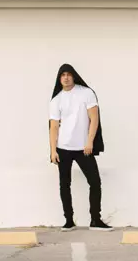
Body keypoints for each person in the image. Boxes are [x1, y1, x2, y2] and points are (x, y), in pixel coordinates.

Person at [49, 63, 113, 231]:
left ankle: (95, 220)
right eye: (62, 75)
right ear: (59, 78)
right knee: (64, 184)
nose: (66, 77)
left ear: (74, 76)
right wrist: (52, 150)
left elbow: (94, 118)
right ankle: (69, 220)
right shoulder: (56, 100)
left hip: (83, 147)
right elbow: (54, 127)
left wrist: (90, 141)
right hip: (63, 148)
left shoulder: (86, 93)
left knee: (94, 182)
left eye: (69, 74)